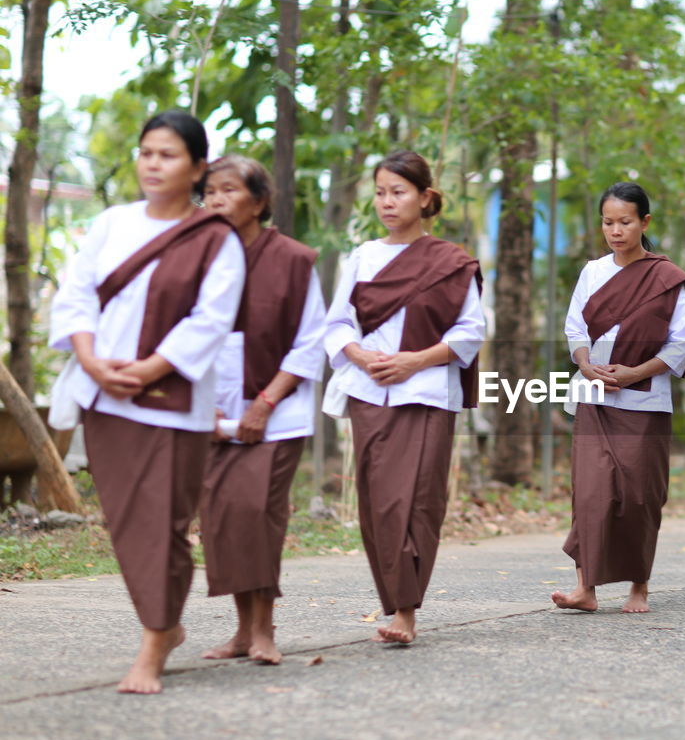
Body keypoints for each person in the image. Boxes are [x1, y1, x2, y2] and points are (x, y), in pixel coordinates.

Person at [48, 111, 246, 693]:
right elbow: (76, 293)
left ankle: (156, 638)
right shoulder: (113, 223)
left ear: (198, 167)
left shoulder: (218, 240)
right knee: (129, 522)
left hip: (172, 401)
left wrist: (150, 368)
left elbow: (211, 321)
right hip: (105, 395)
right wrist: (89, 358)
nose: (153, 164)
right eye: (146, 152)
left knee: (163, 522)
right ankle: (162, 623)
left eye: (168, 155)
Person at [323, 150, 485, 644]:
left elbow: (471, 329)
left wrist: (416, 360)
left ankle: (407, 613)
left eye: (398, 192)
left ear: (424, 197)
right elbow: (336, 323)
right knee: (377, 503)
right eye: (380, 192)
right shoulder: (362, 257)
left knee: (415, 501)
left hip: (426, 392)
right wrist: (357, 354)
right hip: (368, 392)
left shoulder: (450, 262)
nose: (387, 202)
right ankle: (393, 599)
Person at [198, 156, 326, 664]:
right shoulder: (198, 258)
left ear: (259, 201)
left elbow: (310, 340)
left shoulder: (292, 259)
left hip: (278, 411)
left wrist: (266, 401)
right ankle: (240, 631)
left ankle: (265, 630)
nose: (215, 199)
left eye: (228, 190)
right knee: (222, 517)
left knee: (258, 514)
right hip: (212, 412)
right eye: (208, 191)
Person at [551, 183, 685, 614]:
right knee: (591, 495)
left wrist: (635, 372)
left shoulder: (667, 278)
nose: (615, 231)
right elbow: (575, 327)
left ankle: (639, 586)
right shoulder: (593, 273)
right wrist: (585, 363)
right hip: (594, 397)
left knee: (638, 496)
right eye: (608, 222)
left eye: (625, 222)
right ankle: (586, 589)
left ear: (645, 222)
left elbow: (681, 343)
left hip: (644, 401)